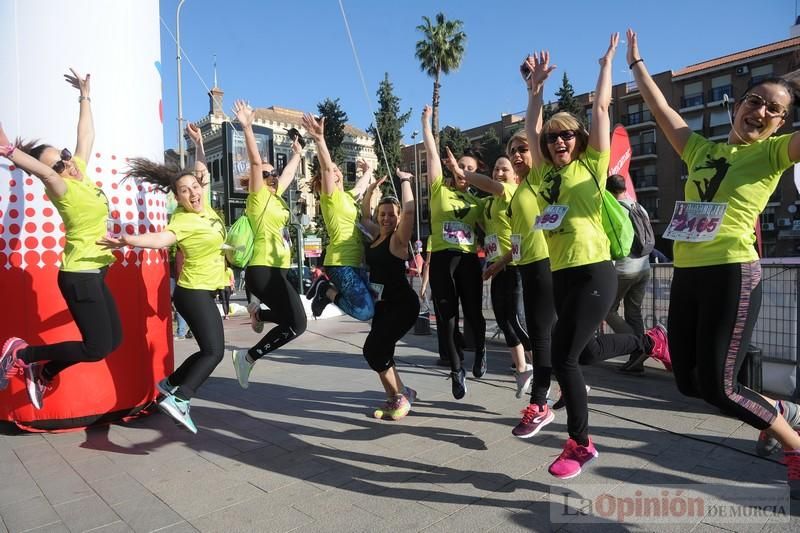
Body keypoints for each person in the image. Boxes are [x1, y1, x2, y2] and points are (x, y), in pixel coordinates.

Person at [627, 28, 800, 496]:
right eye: (754, 100)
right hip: (688, 274)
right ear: (737, 104)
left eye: (773, 109)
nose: (759, 111)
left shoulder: (772, 154)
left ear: (781, 123)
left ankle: (795, 445)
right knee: (687, 381)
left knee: (721, 387)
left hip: (732, 272)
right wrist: (637, 66)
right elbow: (663, 112)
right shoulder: (701, 149)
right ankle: (778, 413)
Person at [522, 36, 620, 479]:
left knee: (564, 359)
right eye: (553, 137)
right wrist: (535, 91)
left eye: (567, 135)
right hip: (560, 273)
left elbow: (600, 112)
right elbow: (530, 129)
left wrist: (605, 67)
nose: (559, 141)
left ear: (578, 141)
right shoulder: (543, 173)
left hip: (595, 270)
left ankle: (580, 444)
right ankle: (646, 340)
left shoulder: (592, 165)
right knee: (585, 351)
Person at [0, 69, 122, 411]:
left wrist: (84, 95)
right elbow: (44, 171)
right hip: (79, 274)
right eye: (60, 163)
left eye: (65, 155)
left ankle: (44, 371)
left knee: (114, 341)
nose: (68, 162)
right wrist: (9, 150)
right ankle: (24, 354)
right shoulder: (62, 187)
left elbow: (86, 135)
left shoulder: (79, 172)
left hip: (96, 272)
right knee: (96, 347)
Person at [97, 123, 224, 434]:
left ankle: (169, 382)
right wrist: (129, 240)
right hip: (192, 292)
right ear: (177, 198)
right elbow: (160, 239)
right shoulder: (183, 221)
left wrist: (198, 144)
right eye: (185, 191)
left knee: (207, 348)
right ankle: (180, 398)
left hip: (203, 290)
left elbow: (200, 171)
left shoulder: (203, 208)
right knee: (214, 351)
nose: (193, 192)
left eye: (195, 187)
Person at [443, 149, 534, 399]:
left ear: (515, 177)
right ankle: (523, 368)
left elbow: (488, 185)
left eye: (505, 169)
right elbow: (469, 201)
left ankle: (547, 368)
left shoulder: (511, 193)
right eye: (496, 169)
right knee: (503, 320)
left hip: (513, 264)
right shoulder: (488, 203)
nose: (499, 173)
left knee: (516, 319)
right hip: (496, 267)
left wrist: (460, 171)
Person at [229, 100, 307, 389]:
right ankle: (247, 358)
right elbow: (253, 162)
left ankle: (257, 316)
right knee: (298, 324)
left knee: (293, 322)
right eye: (267, 174)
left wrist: (298, 155)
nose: (273, 176)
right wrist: (247, 127)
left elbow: (287, 174)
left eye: (273, 173)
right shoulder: (258, 196)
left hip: (278, 270)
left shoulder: (275, 196)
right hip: (263, 268)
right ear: (256, 181)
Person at [421, 105, 486, 399]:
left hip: (469, 260)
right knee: (447, 317)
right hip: (443, 259)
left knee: (473, 312)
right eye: (460, 166)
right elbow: (433, 155)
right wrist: (427, 124)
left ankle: (481, 350)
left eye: (470, 169)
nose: (464, 171)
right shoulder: (438, 190)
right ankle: (456, 370)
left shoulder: (478, 202)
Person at [302, 113, 375, 322]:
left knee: (372, 303)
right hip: (340, 262)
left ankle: (326, 292)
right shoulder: (330, 197)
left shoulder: (348, 197)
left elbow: (361, 187)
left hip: (357, 263)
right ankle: (325, 289)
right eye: (331, 170)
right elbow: (325, 167)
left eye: (337, 169)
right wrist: (319, 139)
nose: (335, 171)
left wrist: (368, 170)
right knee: (365, 311)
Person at [359, 171, 420, 420]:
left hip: (402, 305)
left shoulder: (398, 240)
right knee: (379, 352)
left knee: (375, 350)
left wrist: (405, 181)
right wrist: (371, 188)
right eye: (382, 214)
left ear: (397, 219)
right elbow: (364, 215)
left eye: (391, 215)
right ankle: (401, 393)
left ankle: (399, 398)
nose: (386, 218)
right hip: (383, 306)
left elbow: (409, 212)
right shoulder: (375, 235)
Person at [604, 174, 670, 373]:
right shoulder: (639, 207)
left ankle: (639, 344)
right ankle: (637, 362)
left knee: (607, 310)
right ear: (624, 188)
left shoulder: (613, 209)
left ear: (608, 191)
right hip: (644, 268)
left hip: (624, 269)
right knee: (634, 311)